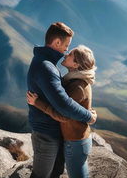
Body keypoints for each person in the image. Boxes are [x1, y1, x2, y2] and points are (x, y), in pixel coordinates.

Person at [27, 22, 97, 178]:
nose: (66, 51)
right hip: (46, 133)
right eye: (67, 45)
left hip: (53, 132)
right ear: (57, 42)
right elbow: (65, 106)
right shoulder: (46, 67)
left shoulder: (48, 64)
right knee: (41, 175)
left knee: (55, 172)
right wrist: (88, 116)